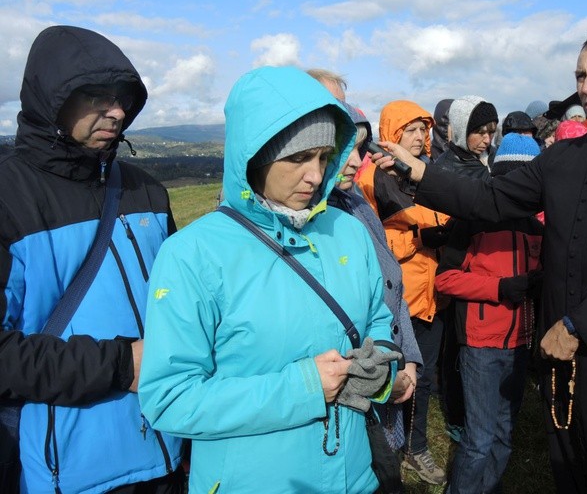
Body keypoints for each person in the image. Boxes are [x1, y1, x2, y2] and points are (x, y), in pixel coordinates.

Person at [371, 28, 587, 493]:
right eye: (580, 75)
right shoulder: (562, 157)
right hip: (562, 360)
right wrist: (420, 172)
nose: (586, 86)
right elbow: (491, 197)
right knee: (571, 467)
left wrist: (580, 325)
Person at [138, 66, 401, 494]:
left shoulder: (347, 230)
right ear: (255, 156)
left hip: (355, 477)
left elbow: (375, 316)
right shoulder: (192, 255)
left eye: (322, 157)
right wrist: (301, 388)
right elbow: (170, 399)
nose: (316, 175)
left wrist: (381, 364)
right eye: (297, 158)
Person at [0, 25, 184, 493]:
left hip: (168, 451)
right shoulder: (8, 199)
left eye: (123, 97)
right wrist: (121, 365)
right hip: (61, 471)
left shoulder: (147, 191)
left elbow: (182, 306)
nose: (118, 110)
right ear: (52, 99)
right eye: (97, 96)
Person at [307, 67, 423, 452]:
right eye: (345, 147)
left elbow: (391, 286)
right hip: (343, 403)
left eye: (360, 148)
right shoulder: (304, 220)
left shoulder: (358, 203)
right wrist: (383, 380)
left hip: (385, 373)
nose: (357, 162)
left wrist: (407, 361)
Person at [436, 132, 543, 494]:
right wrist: (499, 288)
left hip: (520, 342)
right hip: (481, 344)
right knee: (479, 439)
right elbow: (446, 280)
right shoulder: (473, 221)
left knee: (503, 435)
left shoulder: (536, 226)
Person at [357, 100, 449, 486]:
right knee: (393, 381)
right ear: (392, 134)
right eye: (410, 129)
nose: (419, 136)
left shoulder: (425, 176)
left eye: (423, 129)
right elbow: (374, 241)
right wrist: (418, 237)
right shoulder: (372, 180)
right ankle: (394, 449)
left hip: (429, 293)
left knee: (421, 379)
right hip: (396, 302)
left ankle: (414, 446)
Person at [432, 96, 498, 443]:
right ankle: (456, 413)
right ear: (460, 130)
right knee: (457, 345)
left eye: (490, 132)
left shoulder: (477, 162)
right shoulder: (450, 167)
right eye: (478, 132)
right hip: (457, 262)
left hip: (474, 261)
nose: (486, 139)